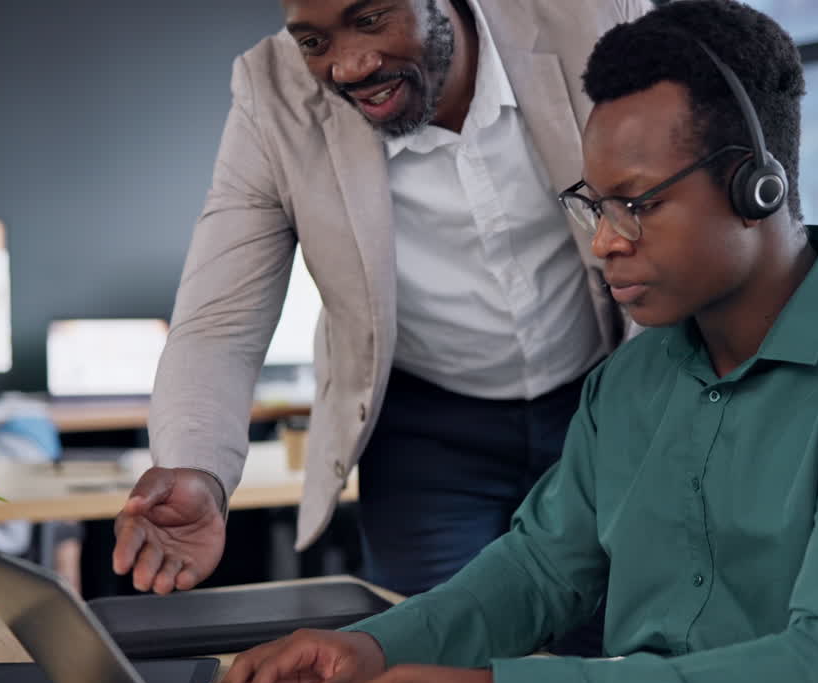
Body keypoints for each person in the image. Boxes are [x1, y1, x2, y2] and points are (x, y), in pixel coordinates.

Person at [199, 3, 818, 683]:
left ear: (758, 186)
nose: (605, 240)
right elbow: (541, 570)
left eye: (639, 204)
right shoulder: (632, 379)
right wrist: (375, 648)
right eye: (596, 203)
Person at [111, 0, 649, 606]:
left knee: (598, 646)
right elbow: (220, 321)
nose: (348, 66)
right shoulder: (274, 95)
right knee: (431, 666)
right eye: (314, 42)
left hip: (602, 397)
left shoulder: (590, 19)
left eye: (370, 20)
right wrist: (194, 468)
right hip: (427, 433)